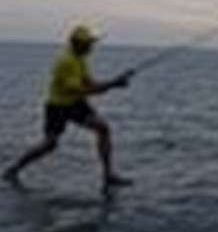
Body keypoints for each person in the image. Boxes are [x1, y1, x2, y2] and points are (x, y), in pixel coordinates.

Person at [3, 25, 134, 192]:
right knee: (49, 145)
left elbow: (89, 83)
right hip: (58, 106)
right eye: (88, 43)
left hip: (76, 104)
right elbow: (80, 90)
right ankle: (14, 169)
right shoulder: (66, 62)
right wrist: (113, 84)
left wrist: (114, 81)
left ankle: (108, 176)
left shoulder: (80, 59)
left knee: (103, 128)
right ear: (78, 44)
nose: (91, 46)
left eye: (91, 43)